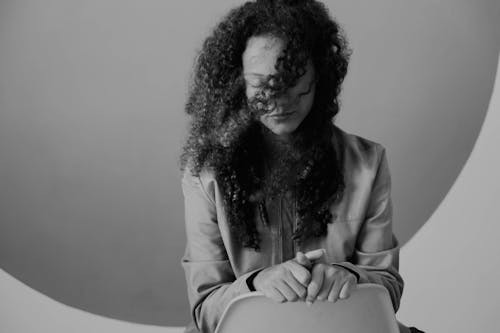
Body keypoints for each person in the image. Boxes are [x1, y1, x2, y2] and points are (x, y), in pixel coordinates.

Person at [179, 1, 424, 332]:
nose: (279, 101)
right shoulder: (205, 173)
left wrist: (350, 277)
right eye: (262, 85)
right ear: (236, 82)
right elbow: (205, 309)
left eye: (294, 83)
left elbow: (388, 288)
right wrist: (255, 285)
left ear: (319, 76)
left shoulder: (368, 163)